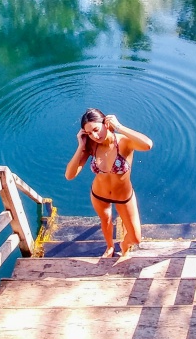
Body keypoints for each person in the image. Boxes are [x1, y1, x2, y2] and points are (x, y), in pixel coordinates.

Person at [65, 108, 153, 258]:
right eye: (88, 133)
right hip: (99, 195)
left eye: (96, 129)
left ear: (106, 123)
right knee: (105, 220)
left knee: (136, 238)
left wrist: (119, 127)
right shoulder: (91, 146)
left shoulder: (124, 142)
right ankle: (110, 247)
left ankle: (124, 244)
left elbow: (147, 145)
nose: (94, 135)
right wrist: (81, 146)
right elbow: (69, 175)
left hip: (124, 196)